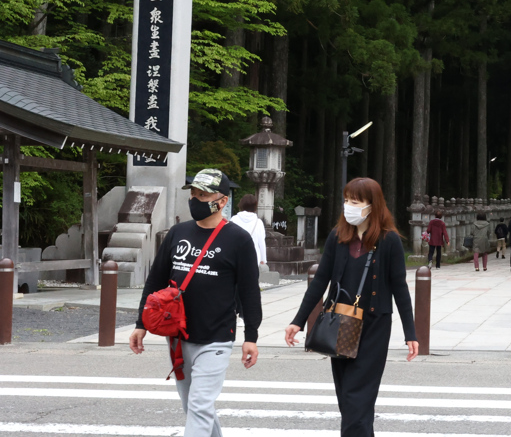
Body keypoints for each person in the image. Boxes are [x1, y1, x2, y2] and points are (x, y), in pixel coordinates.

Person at [129, 169, 262, 437]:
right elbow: (155, 280)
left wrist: (251, 336)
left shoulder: (239, 240)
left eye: (203, 195)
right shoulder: (178, 233)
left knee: (200, 405)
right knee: (193, 407)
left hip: (216, 336)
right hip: (178, 336)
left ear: (222, 201)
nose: (195, 199)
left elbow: (249, 292)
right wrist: (141, 322)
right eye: (193, 194)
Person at [284, 177, 418, 437]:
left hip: (374, 326)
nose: (349, 206)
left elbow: (400, 288)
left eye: (355, 202)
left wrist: (410, 333)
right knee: (349, 399)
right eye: (346, 201)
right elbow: (320, 280)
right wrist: (297, 321)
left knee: (358, 398)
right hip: (340, 323)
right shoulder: (338, 236)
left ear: (372, 205)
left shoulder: (389, 241)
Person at [230, 193, 266, 268]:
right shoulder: (258, 222)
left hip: (235, 255)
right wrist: (263, 259)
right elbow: (261, 242)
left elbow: (229, 239)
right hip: (253, 256)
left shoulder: (234, 219)